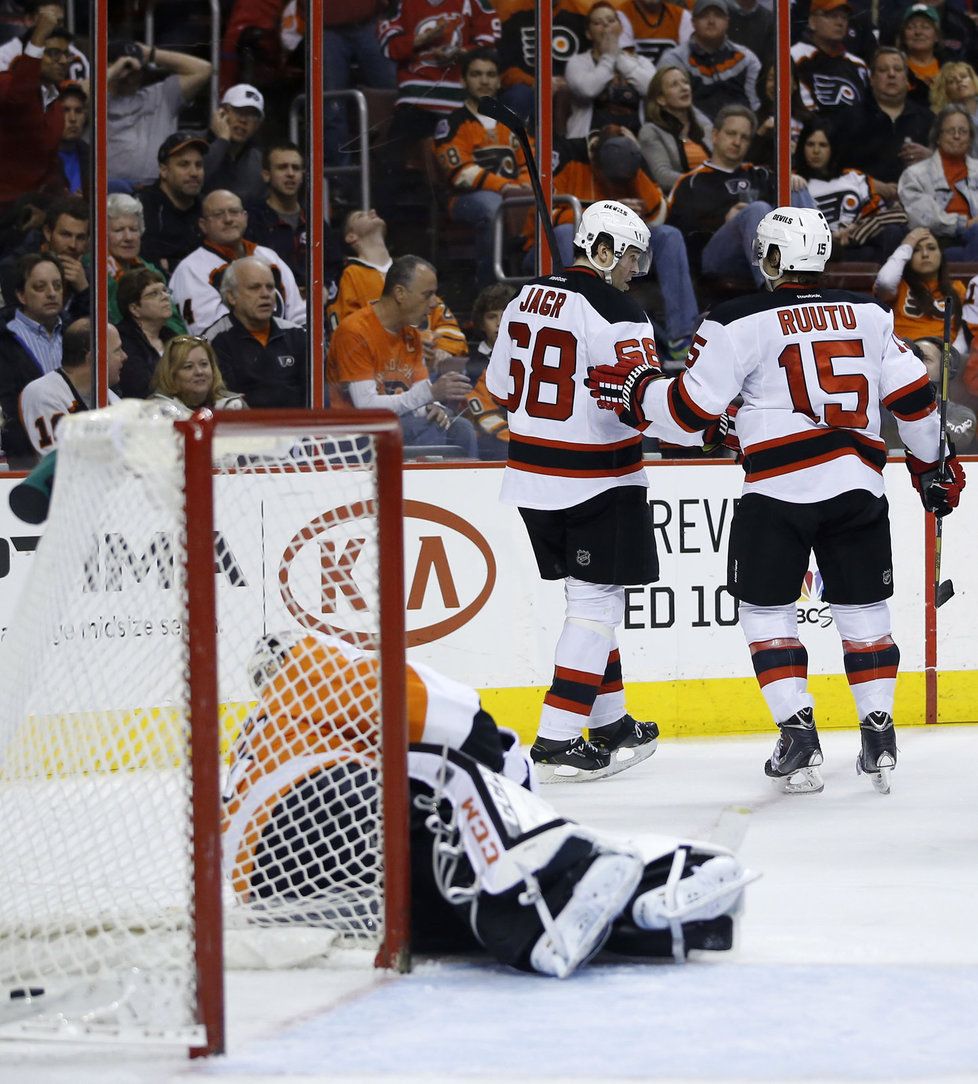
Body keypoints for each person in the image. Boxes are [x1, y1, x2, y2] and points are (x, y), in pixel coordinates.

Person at [585, 205, 967, 796]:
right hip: (856, 488)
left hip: (777, 494)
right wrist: (931, 468)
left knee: (766, 613)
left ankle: (797, 731)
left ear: (769, 259)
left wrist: (639, 394)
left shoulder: (733, 319)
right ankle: (878, 730)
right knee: (863, 612)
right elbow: (916, 401)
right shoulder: (867, 313)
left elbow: (689, 417)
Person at [223, 629, 755, 977]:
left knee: (458, 894)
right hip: (318, 809)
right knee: (456, 782)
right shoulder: (328, 667)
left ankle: (643, 916)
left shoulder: (272, 723)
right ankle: (549, 911)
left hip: (281, 887)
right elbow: (469, 729)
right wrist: (516, 798)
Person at [484, 200, 661, 781]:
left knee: (588, 604)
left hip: (531, 478)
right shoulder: (623, 313)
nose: (636, 267)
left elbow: (499, 386)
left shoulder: (521, 298)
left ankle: (609, 722)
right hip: (597, 479)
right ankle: (557, 738)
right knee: (595, 607)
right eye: (630, 255)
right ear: (603, 249)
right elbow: (643, 407)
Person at [326, 254, 476, 456]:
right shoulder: (355, 331)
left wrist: (433, 407)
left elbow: (418, 394)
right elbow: (367, 408)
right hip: (355, 435)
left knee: (461, 429)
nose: (434, 304)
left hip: (401, 425)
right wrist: (430, 394)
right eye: (427, 294)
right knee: (425, 428)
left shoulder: (411, 333)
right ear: (400, 293)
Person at [666, 103, 813, 286]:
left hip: (768, 253)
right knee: (757, 209)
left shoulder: (761, 175)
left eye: (744, 137)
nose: (737, 142)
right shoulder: (691, 182)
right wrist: (723, 221)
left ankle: (812, 271)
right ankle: (776, 289)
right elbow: (678, 239)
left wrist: (792, 179)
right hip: (718, 258)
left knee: (794, 185)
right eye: (731, 134)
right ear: (715, 135)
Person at [433, 48, 534, 289]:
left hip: (514, 193)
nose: (485, 80)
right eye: (477, 74)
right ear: (463, 80)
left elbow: (530, 160)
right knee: (492, 208)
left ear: (499, 81)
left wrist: (522, 187)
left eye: (490, 74)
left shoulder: (511, 121)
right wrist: (508, 188)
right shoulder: (452, 123)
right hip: (465, 199)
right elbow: (462, 174)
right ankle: (490, 291)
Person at [327, 208, 470, 368]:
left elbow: (446, 322)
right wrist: (407, 344)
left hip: (428, 370)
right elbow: (348, 335)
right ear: (351, 236)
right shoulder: (349, 275)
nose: (373, 211)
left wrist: (443, 350)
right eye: (361, 215)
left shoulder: (414, 271)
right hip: (381, 373)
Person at [169, 188, 306, 335]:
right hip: (229, 355)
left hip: (283, 350)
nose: (228, 219)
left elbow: (299, 316)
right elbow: (206, 332)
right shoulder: (191, 269)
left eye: (234, 212)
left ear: (245, 217)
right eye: (218, 214)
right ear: (203, 224)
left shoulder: (270, 257)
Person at [203, 256, 309, 408]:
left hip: (297, 428)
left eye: (270, 287)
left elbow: (314, 396)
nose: (265, 294)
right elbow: (221, 401)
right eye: (254, 287)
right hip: (243, 429)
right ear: (232, 297)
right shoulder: (214, 341)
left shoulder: (297, 335)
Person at [793, 120, 906, 261]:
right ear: (802, 147)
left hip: (855, 244)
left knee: (893, 231)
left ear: (832, 148)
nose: (816, 151)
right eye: (810, 144)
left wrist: (855, 230)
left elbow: (890, 214)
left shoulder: (854, 178)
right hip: (814, 250)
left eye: (823, 145)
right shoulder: (794, 182)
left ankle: (883, 281)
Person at [106, 37, 212, 187]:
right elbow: (81, 94)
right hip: (107, 192)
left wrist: (151, 54)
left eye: (134, 69)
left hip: (154, 191)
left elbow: (204, 69)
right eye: (124, 68)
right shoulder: (95, 98)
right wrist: (116, 69)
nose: (129, 75)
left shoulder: (161, 95)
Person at [19, 318, 126, 456]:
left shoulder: (111, 397)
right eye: (117, 350)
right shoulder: (43, 393)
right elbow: (57, 463)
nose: (124, 356)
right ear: (93, 358)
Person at [0, 7, 68, 213]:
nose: (64, 61)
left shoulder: (56, 107)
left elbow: (49, 167)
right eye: (54, 53)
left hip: (26, 210)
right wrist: (38, 36)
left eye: (66, 54)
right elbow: (17, 100)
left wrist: (50, 207)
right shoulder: (6, 82)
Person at [845, 47, 933, 197]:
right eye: (883, 70)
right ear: (872, 79)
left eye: (898, 70)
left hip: (921, 202)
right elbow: (835, 168)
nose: (891, 74)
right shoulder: (850, 118)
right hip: (866, 202)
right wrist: (870, 185)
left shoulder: (929, 118)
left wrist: (932, 157)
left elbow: (951, 164)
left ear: (906, 80)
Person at [657, 0, 761, 121]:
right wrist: (712, 133)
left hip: (740, 132)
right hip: (695, 133)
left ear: (727, 21)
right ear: (693, 22)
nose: (711, 21)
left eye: (718, 15)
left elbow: (754, 104)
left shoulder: (747, 58)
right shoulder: (674, 59)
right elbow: (675, 108)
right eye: (704, 16)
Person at [563, 1, 656, 137]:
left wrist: (618, 57)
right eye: (598, 23)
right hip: (589, 140)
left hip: (636, 139)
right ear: (589, 33)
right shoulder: (577, 62)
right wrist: (609, 57)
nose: (606, 25)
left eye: (611, 20)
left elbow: (653, 89)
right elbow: (588, 90)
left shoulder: (641, 62)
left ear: (621, 28)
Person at [898, 103, 978, 260]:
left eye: (963, 131)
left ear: (970, 139)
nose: (957, 136)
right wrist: (965, 224)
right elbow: (923, 217)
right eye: (950, 131)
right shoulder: (914, 175)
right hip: (937, 242)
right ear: (938, 137)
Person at [105, 192, 187, 335]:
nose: (128, 237)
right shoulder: (93, 269)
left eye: (134, 230)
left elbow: (175, 322)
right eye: (118, 230)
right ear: (102, 234)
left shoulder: (150, 271)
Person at [874, 226, 966, 349]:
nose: (925, 254)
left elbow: (964, 331)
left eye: (931, 248)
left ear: (941, 254)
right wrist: (908, 243)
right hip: (905, 355)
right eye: (916, 250)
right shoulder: (899, 287)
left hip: (944, 359)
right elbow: (885, 281)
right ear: (908, 257)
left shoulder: (957, 288)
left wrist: (951, 358)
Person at [0, 195, 88, 320]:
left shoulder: (87, 275)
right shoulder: (14, 268)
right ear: (47, 232)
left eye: (80, 237)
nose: (73, 245)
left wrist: (84, 291)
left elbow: (106, 329)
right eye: (65, 235)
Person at [138, 132, 208, 275]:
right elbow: (148, 263)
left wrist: (172, 263)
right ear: (164, 170)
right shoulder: (143, 206)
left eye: (199, 165)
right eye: (184, 165)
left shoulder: (208, 207)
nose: (194, 173)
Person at [791, 0, 869, 123]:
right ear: (812, 22)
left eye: (844, 17)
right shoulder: (795, 57)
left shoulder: (859, 65)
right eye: (832, 16)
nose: (840, 23)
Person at [638, 65, 713, 194]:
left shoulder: (704, 127)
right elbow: (663, 176)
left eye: (685, 82)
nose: (684, 88)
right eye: (674, 85)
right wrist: (704, 183)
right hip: (682, 199)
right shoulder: (651, 131)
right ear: (661, 99)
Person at [462, 281, 515, 458]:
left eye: (506, 315)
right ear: (481, 323)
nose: (500, 323)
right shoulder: (472, 366)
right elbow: (483, 415)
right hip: (491, 441)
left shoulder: (530, 356)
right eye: (492, 317)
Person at [244, 140, 308, 289]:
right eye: (282, 167)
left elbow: (333, 266)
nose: (291, 174)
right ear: (266, 175)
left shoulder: (314, 220)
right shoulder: (252, 220)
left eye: (296, 168)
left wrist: (323, 286)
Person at [113, 267, 179, 399]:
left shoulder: (173, 337)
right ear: (134, 308)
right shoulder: (122, 341)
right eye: (154, 294)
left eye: (165, 291)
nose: (165, 297)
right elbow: (140, 388)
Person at [148, 334, 246, 417]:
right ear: (171, 374)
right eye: (188, 367)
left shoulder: (234, 406)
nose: (199, 372)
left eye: (204, 364)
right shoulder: (156, 411)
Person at [203, 83, 266, 205]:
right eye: (238, 111)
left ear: (258, 125)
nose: (243, 120)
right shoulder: (192, 143)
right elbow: (193, 178)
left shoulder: (261, 162)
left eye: (252, 115)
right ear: (221, 113)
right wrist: (222, 141)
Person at [615, 0, 693, 67]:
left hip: (672, 79)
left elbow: (688, 62)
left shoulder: (682, 16)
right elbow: (626, 62)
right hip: (635, 79)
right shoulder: (622, 14)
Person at [899, 4, 944, 108]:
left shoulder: (947, 66)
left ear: (936, 36)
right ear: (904, 36)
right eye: (911, 27)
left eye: (925, 27)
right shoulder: (896, 68)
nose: (918, 32)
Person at [929, 61, 978, 150]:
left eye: (964, 76)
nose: (959, 81)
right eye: (952, 81)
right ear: (945, 91)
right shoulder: (942, 119)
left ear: (974, 80)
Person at [57, 81, 89, 198]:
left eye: (78, 111)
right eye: (65, 110)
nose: (73, 118)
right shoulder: (39, 156)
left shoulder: (91, 154)